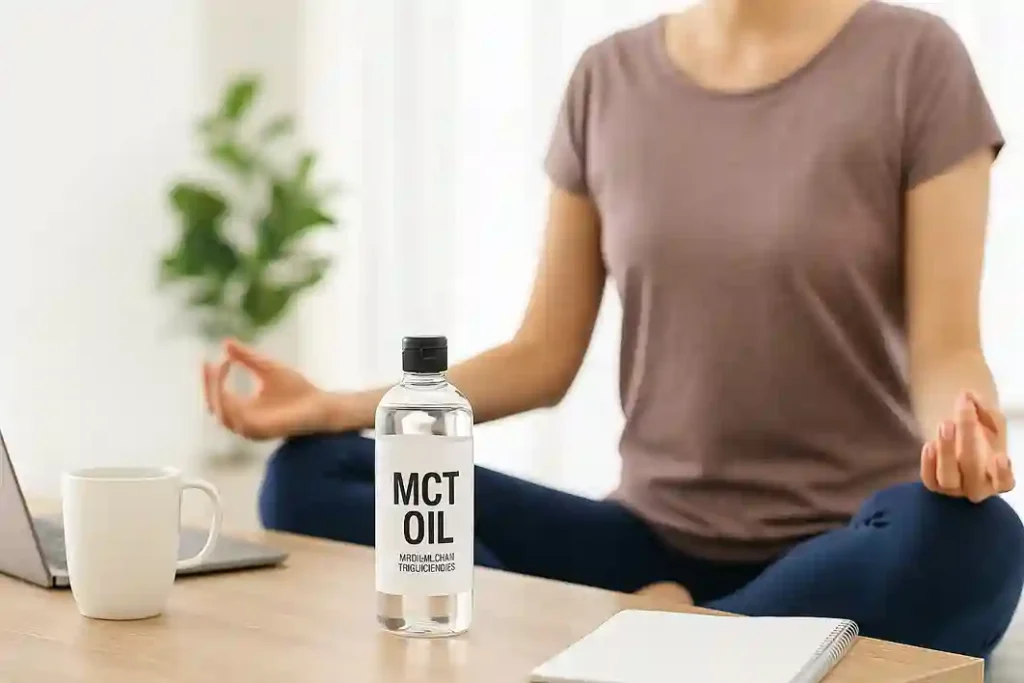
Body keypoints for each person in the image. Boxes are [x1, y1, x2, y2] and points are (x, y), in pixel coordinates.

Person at [203, 0, 1024, 659]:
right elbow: (541, 356)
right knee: (316, 473)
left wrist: (967, 435)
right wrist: (331, 406)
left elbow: (945, 344)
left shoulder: (915, 59)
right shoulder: (608, 77)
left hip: (848, 544)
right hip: (645, 547)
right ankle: (683, 643)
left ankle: (647, 640)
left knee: (975, 538)